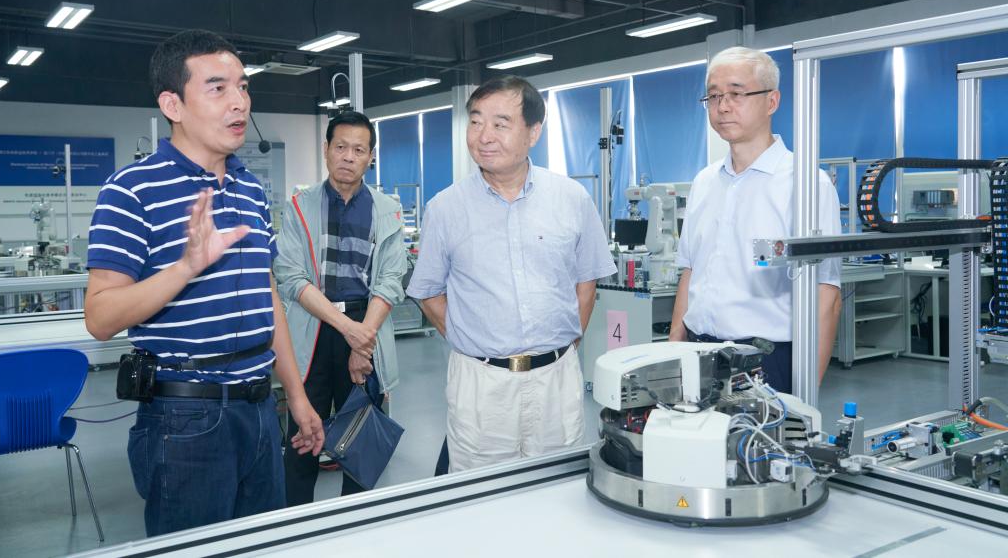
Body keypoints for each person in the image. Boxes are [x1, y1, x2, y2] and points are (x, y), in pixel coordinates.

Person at [84, 29, 323, 537]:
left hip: (260, 408)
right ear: (172, 104)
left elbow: (267, 298)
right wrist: (185, 267)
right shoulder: (132, 190)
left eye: (243, 86)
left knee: (263, 545)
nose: (239, 102)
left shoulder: (250, 189)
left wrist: (296, 396)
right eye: (217, 88)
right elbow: (100, 318)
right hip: (185, 418)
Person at [407, 75, 616, 473]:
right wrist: (474, 342)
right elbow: (428, 292)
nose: (483, 136)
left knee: (557, 486)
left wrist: (563, 346)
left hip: (556, 381)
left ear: (533, 132)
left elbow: (586, 282)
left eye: (500, 124)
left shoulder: (571, 199)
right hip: (481, 385)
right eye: (475, 121)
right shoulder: (446, 209)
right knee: (478, 493)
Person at [668, 46, 842, 393]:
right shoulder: (704, 182)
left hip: (766, 361)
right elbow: (690, 270)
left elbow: (826, 293)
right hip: (697, 351)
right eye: (714, 96)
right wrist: (675, 345)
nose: (723, 106)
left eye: (736, 93)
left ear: (772, 101)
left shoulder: (806, 183)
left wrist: (805, 394)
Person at [274, 110, 406, 503]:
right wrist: (350, 332)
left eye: (359, 150)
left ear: (371, 157)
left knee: (361, 443)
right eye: (341, 147)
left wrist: (362, 342)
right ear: (326, 149)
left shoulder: (387, 211)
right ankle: (296, 525)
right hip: (313, 329)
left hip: (367, 325)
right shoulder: (299, 207)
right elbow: (291, 277)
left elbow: (390, 280)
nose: (348, 156)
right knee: (303, 439)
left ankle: (356, 522)